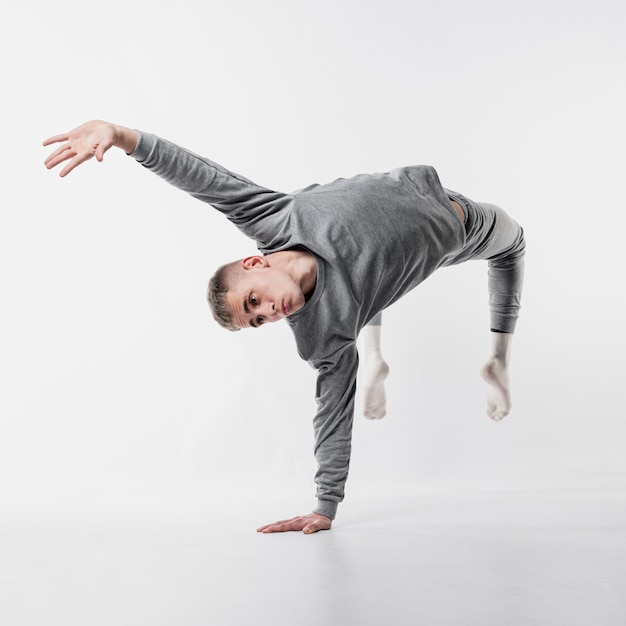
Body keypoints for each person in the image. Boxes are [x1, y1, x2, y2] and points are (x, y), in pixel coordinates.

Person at [43, 120, 525, 534]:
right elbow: (331, 415)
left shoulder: (272, 217)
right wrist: (325, 506)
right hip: (464, 231)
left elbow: (200, 176)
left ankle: (388, 355)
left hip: (435, 197)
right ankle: (492, 360)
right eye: (257, 320)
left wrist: (123, 137)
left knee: (368, 283)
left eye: (254, 300)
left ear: (255, 262)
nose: (268, 313)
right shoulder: (320, 335)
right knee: (512, 246)